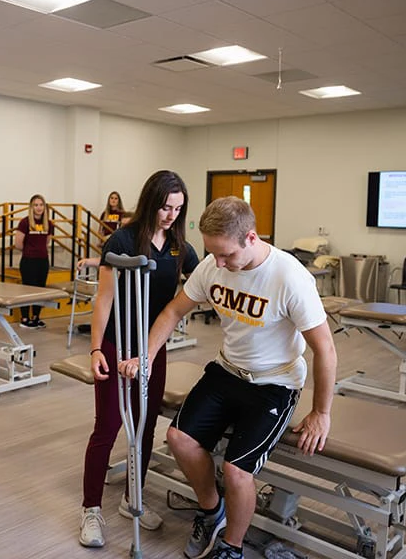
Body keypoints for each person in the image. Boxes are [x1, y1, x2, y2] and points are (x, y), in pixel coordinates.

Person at [119, 196, 337, 559]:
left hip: (275, 384)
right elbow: (174, 311)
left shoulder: (289, 276)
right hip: (226, 370)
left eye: (226, 255)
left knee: (237, 471)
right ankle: (211, 510)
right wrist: (146, 356)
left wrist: (321, 411)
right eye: (212, 254)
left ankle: (231, 546)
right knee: (178, 438)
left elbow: (325, 348)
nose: (218, 263)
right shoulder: (212, 266)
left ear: (250, 238)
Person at [79, 170, 200, 549]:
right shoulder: (123, 239)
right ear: (152, 202)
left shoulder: (180, 243)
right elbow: (104, 298)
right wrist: (97, 348)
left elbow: (205, 277)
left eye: (178, 209)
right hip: (117, 345)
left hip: (152, 347)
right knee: (109, 425)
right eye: (165, 207)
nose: (171, 215)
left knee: (145, 425)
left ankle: (134, 497)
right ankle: (91, 509)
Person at [14, 193, 53, 329]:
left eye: (41, 205)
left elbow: (47, 242)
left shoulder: (49, 223)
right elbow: (18, 243)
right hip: (28, 261)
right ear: (31, 207)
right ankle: (25, 317)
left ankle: (36, 317)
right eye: (36, 205)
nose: (39, 208)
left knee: (40, 289)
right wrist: (31, 251)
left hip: (43, 261)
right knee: (27, 290)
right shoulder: (25, 222)